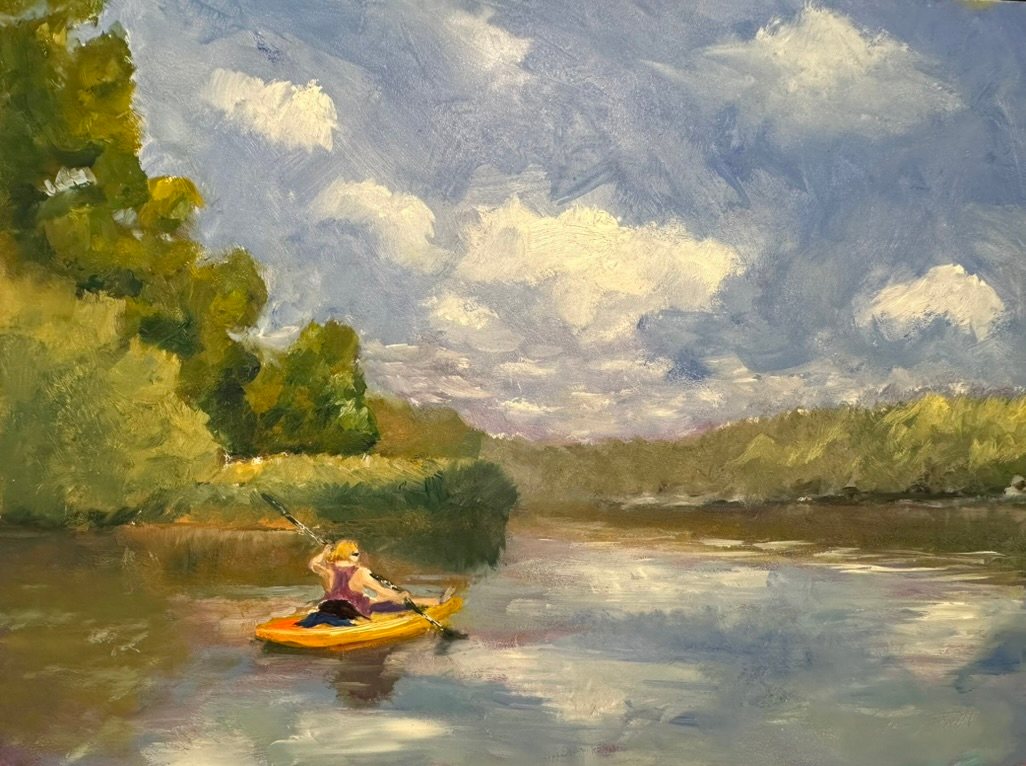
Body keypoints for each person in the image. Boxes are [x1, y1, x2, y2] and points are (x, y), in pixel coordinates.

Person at [298, 539, 449, 627]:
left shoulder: (328, 569)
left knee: (378, 599)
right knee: (388, 600)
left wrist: (324, 553)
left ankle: (435, 601)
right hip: (355, 610)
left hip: (331, 606)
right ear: (348, 554)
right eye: (356, 553)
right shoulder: (361, 572)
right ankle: (437, 601)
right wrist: (401, 595)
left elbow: (313, 564)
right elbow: (382, 591)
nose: (358, 556)